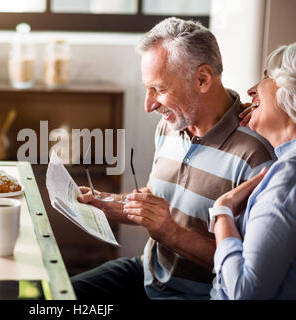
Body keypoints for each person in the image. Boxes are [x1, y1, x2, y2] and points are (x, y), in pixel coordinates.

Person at [72, 17, 276, 300]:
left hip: (199, 295)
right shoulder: (170, 125)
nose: (148, 105)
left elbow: (250, 271)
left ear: (203, 79)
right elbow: (157, 200)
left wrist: (172, 233)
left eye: (160, 89)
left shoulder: (258, 155)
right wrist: (103, 203)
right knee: (53, 295)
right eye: (148, 88)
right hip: (147, 274)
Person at [207, 43, 296, 300]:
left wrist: (222, 212)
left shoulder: (288, 177)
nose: (251, 90)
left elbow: (245, 292)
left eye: (267, 77)